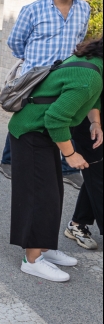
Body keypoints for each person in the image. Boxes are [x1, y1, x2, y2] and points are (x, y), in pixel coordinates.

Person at [9, 37, 101, 282]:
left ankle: (44, 249)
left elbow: (93, 98)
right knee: (39, 197)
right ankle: (32, 260)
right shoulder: (90, 76)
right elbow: (55, 119)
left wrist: (95, 122)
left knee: (53, 194)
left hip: (42, 134)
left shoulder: (90, 61)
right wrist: (71, 154)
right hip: (31, 133)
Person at [0, 0, 90, 189]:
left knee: (66, 117)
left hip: (67, 75)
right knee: (27, 118)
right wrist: (33, 64)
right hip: (37, 77)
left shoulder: (84, 9)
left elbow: (81, 40)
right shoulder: (33, 9)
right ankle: (8, 160)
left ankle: (67, 168)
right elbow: (15, 42)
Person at [63, 38, 103, 250]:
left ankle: (78, 224)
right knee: (98, 177)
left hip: (95, 124)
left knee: (95, 176)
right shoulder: (93, 65)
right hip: (87, 125)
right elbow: (91, 100)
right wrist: (95, 123)